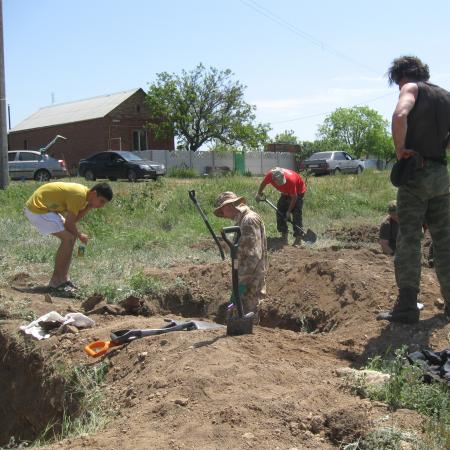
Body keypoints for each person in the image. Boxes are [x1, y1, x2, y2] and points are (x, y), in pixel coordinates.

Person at [378, 55, 450, 324]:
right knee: (445, 242)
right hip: (442, 176)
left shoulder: (412, 88)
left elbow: (400, 114)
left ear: (402, 77)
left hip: (416, 174)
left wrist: (400, 151)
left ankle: (407, 307)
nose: (399, 88)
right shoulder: (446, 97)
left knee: (409, 239)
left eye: (397, 83)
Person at [24, 182, 113, 292]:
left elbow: (73, 220)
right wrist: (80, 235)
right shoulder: (79, 196)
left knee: (71, 237)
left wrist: (88, 207)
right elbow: (69, 224)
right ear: (94, 194)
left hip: (46, 210)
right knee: (68, 238)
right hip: (37, 210)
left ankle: (64, 279)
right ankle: (56, 282)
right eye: (102, 201)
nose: (101, 205)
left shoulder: (83, 196)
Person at [214, 192, 267, 320]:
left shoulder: (249, 220)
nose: (224, 216)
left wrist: (242, 282)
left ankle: (251, 338)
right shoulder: (241, 221)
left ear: (228, 206)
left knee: (248, 312)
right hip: (244, 275)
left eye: (223, 212)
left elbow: (252, 255)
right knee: (238, 310)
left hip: (250, 277)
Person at [255, 167, 306, 246]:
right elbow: (263, 184)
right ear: (273, 179)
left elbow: (294, 197)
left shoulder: (290, 180)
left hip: (298, 193)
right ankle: (284, 236)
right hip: (285, 193)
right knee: (280, 212)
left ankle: (298, 238)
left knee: (296, 214)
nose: (282, 183)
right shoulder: (270, 175)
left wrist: (289, 211)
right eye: (280, 182)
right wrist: (258, 193)